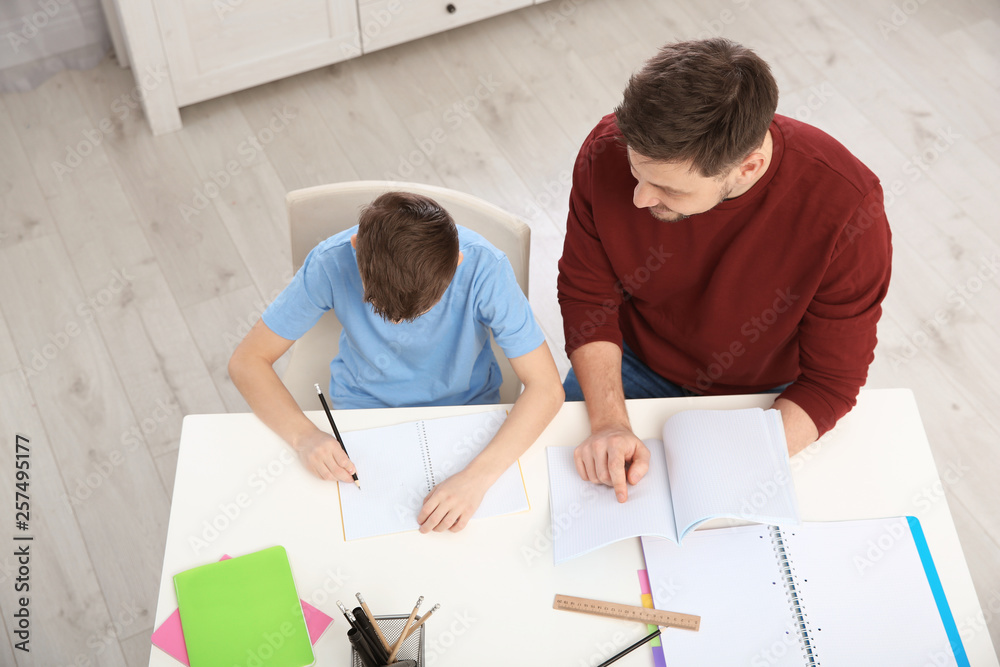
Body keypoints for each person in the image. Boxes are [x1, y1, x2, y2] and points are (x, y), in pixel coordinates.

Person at [557, 38, 892, 502]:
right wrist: (610, 422)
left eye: (666, 188)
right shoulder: (606, 148)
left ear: (747, 167)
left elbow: (831, 381)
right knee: (566, 490)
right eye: (637, 173)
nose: (639, 198)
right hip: (630, 359)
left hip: (763, 393)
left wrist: (738, 465)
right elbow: (587, 295)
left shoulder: (845, 205)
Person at [230, 191, 564, 532]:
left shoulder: (485, 268)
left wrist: (477, 478)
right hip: (365, 408)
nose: (398, 326)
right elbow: (247, 361)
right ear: (356, 246)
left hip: (465, 409)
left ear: (457, 263)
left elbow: (547, 388)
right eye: (376, 303)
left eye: (421, 310)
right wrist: (305, 437)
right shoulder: (329, 262)